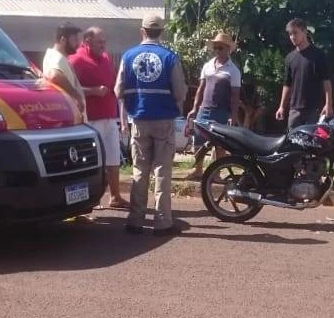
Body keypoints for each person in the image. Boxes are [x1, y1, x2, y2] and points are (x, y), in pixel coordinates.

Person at [114, 15, 186, 236]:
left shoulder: (128, 56)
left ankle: (135, 220)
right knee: (162, 171)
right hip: (163, 120)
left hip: (139, 120)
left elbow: (117, 90)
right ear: (162, 32)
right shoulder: (170, 57)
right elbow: (180, 92)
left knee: (139, 170)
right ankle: (162, 223)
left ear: (142, 31)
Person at [69, 26, 130, 210]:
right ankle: (85, 201)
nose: (103, 45)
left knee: (113, 158)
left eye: (104, 42)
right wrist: (93, 91)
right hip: (90, 119)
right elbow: (69, 88)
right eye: (99, 42)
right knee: (90, 162)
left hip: (109, 116)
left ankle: (115, 196)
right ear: (87, 41)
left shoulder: (105, 58)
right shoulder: (76, 59)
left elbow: (113, 83)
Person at [185, 31, 242, 180]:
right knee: (198, 141)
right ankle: (198, 170)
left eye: (221, 48)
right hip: (204, 109)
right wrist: (194, 108)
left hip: (221, 111)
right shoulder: (208, 65)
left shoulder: (233, 70)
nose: (217, 51)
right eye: (215, 47)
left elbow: (235, 96)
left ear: (228, 49)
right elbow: (201, 89)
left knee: (220, 144)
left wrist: (233, 116)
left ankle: (217, 173)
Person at [274, 18, 334, 129]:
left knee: (313, 139)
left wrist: (328, 104)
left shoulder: (318, 55)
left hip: (314, 110)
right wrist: (281, 107)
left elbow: (326, 81)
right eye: (290, 34)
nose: (293, 37)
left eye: (295, 33)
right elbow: (287, 84)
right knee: (292, 139)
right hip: (295, 110)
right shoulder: (290, 58)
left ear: (304, 32)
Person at [42, 22, 86, 119]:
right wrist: (76, 95)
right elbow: (55, 75)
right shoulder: (55, 57)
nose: (78, 43)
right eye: (74, 40)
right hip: (67, 117)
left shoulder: (61, 58)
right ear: (63, 40)